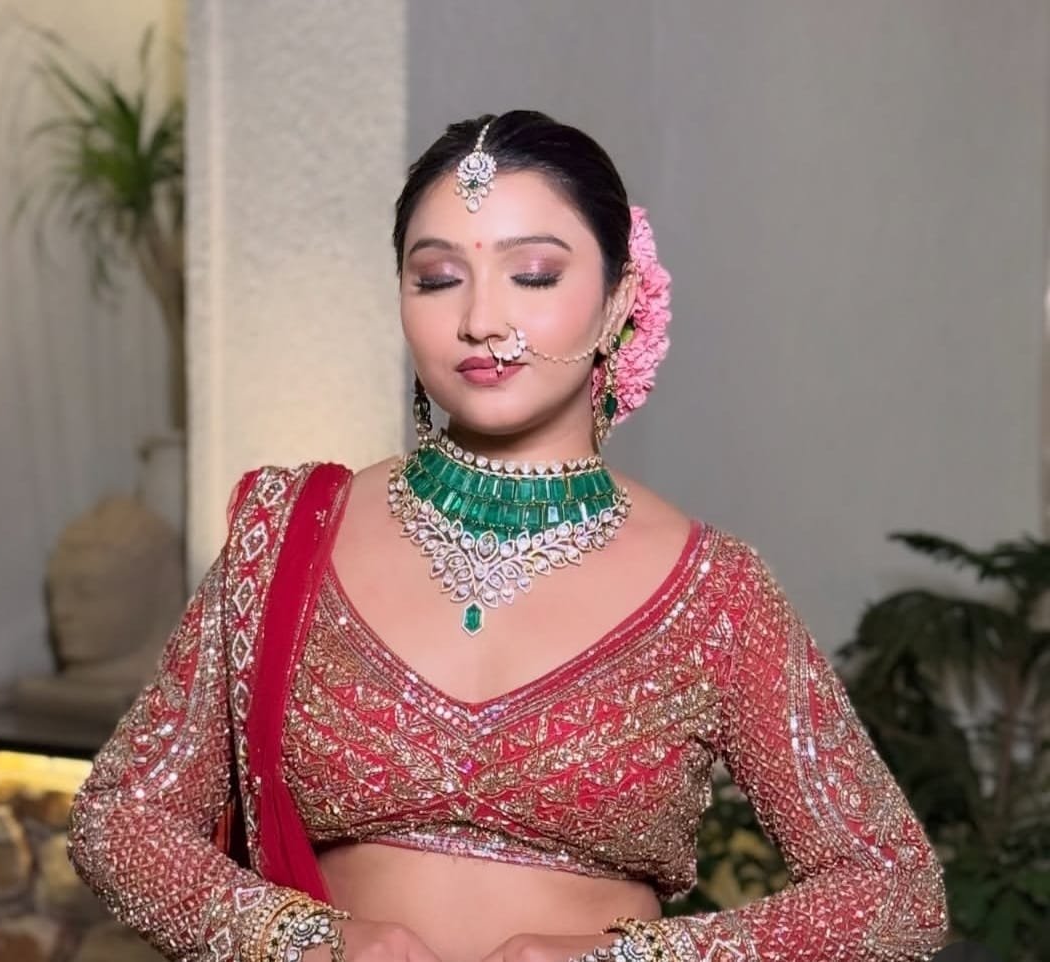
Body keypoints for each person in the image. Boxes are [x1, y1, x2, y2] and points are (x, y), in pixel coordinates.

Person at [67, 110, 950, 962]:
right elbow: (119, 818)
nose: (481, 319)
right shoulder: (288, 537)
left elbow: (896, 893)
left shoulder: (717, 593)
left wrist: (626, 961)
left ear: (618, 300)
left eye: (533, 274)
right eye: (437, 278)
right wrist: (306, 941)